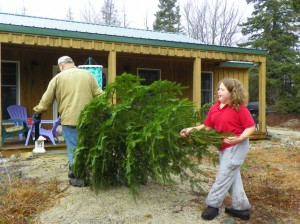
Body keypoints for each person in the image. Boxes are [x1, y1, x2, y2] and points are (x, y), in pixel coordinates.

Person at [180, 78, 255, 221]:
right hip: (223, 147)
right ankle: (241, 209)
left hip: (237, 146)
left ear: (232, 92)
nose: (218, 91)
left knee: (223, 176)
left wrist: (240, 138)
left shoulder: (239, 108)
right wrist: (191, 129)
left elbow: (250, 126)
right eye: (218, 89)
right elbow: (207, 126)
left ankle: (212, 206)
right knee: (232, 177)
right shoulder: (215, 107)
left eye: (222, 89)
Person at [33, 56, 103, 187]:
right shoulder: (88, 75)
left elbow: (46, 99)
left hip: (70, 120)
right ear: (72, 64)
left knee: (74, 148)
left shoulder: (58, 78)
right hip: (89, 119)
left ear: (61, 66)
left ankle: (78, 177)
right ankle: (82, 171)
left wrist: (38, 111)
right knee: (86, 146)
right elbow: (100, 95)